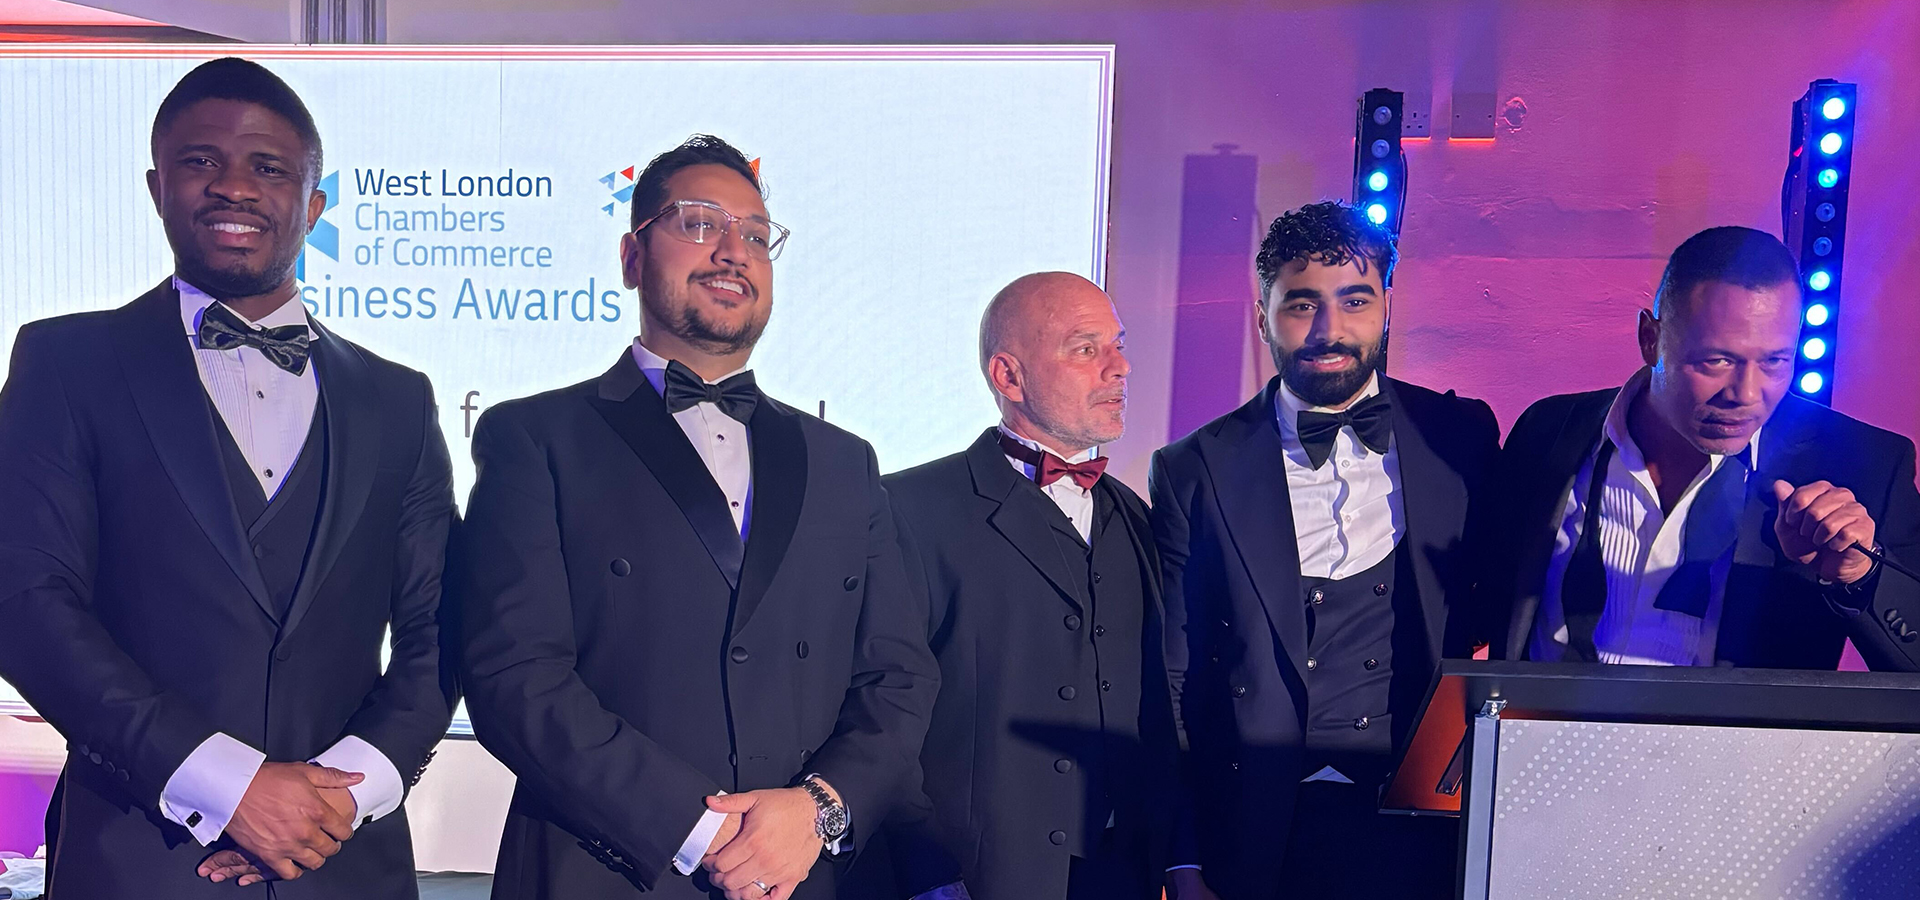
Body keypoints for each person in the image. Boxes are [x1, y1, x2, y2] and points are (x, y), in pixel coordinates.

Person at [0, 57, 457, 897]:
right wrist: (226, 786)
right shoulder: (66, 363)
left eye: (269, 167)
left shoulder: (398, 398)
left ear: (313, 206)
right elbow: (26, 603)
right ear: (157, 187)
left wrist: (340, 800)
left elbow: (442, 628)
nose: (234, 186)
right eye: (201, 160)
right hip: (138, 857)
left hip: (344, 863)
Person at [456, 134, 940, 900]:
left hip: (803, 875)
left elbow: (899, 676)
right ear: (631, 257)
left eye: (756, 235)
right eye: (700, 223)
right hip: (608, 871)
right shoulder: (536, 437)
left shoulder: (843, 462)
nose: (733, 251)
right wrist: (700, 829)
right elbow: (513, 676)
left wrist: (817, 811)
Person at [1149, 201, 1501, 898]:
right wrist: (1182, 857)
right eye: (1302, 304)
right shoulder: (1194, 467)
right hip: (1254, 831)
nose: (1329, 330)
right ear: (1263, 317)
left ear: (1387, 308)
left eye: (1355, 301)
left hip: (1423, 829)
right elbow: (1174, 679)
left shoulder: (1459, 436)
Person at [854, 273, 1184, 900]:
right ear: (1008, 376)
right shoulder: (909, 509)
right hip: (974, 881)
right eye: (1085, 349)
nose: (1119, 367)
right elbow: (879, 707)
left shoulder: (1137, 518)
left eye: (1117, 346)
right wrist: (928, 873)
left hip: (1123, 874)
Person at [1486, 225, 1920, 671]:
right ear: (1650, 340)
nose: (1745, 394)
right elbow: (1480, 602)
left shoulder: (1864, 464)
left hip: (1740, 722)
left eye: (1774, 361)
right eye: (1717, 360)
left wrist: (1859, 575)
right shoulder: (1549, 432)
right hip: (1537, 716)